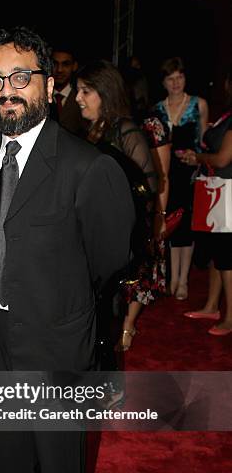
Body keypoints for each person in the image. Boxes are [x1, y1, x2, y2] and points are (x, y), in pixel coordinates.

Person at [0, 27, 134, 473]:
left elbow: (110, 258)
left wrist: (67, 307)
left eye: (20, 77)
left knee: (59, 443)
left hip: (58, 331)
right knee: (6, 429)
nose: (6, 90)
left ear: (49, 85)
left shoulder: (90, 167)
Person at [76, 60, 167, 353]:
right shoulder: (92, 130)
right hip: (92, 231)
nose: (78, 98)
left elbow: (150, 185)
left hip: (117, 233)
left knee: (112, 302)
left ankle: (108, 376)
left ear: (105, 92)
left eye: (85, 91)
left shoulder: (127, 130)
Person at [179, 63, 232, 336]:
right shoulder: (226, 114)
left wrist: (197, 157)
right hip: (218, 188)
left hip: (228, 190)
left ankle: (230, 317)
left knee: (226, 256)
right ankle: (213, 306)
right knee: (216, 254)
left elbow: (224, 158)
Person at [154, 57, 208, 300]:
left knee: (187, 226)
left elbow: (206, 141)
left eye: (180, 77)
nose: (176, 83)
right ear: (164, 82)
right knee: (168, 225)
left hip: (190, 173)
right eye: (170, 78)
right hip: (165, 174)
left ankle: (182, 279)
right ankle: (171, 277)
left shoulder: (199, 104)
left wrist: (197, 157)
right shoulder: (157, 108)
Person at [50, 46, 87, 137]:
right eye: (55, 64)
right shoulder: (41, 97)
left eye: (66, 64)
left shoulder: (84, 98)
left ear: (74, 66)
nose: (59, 70)